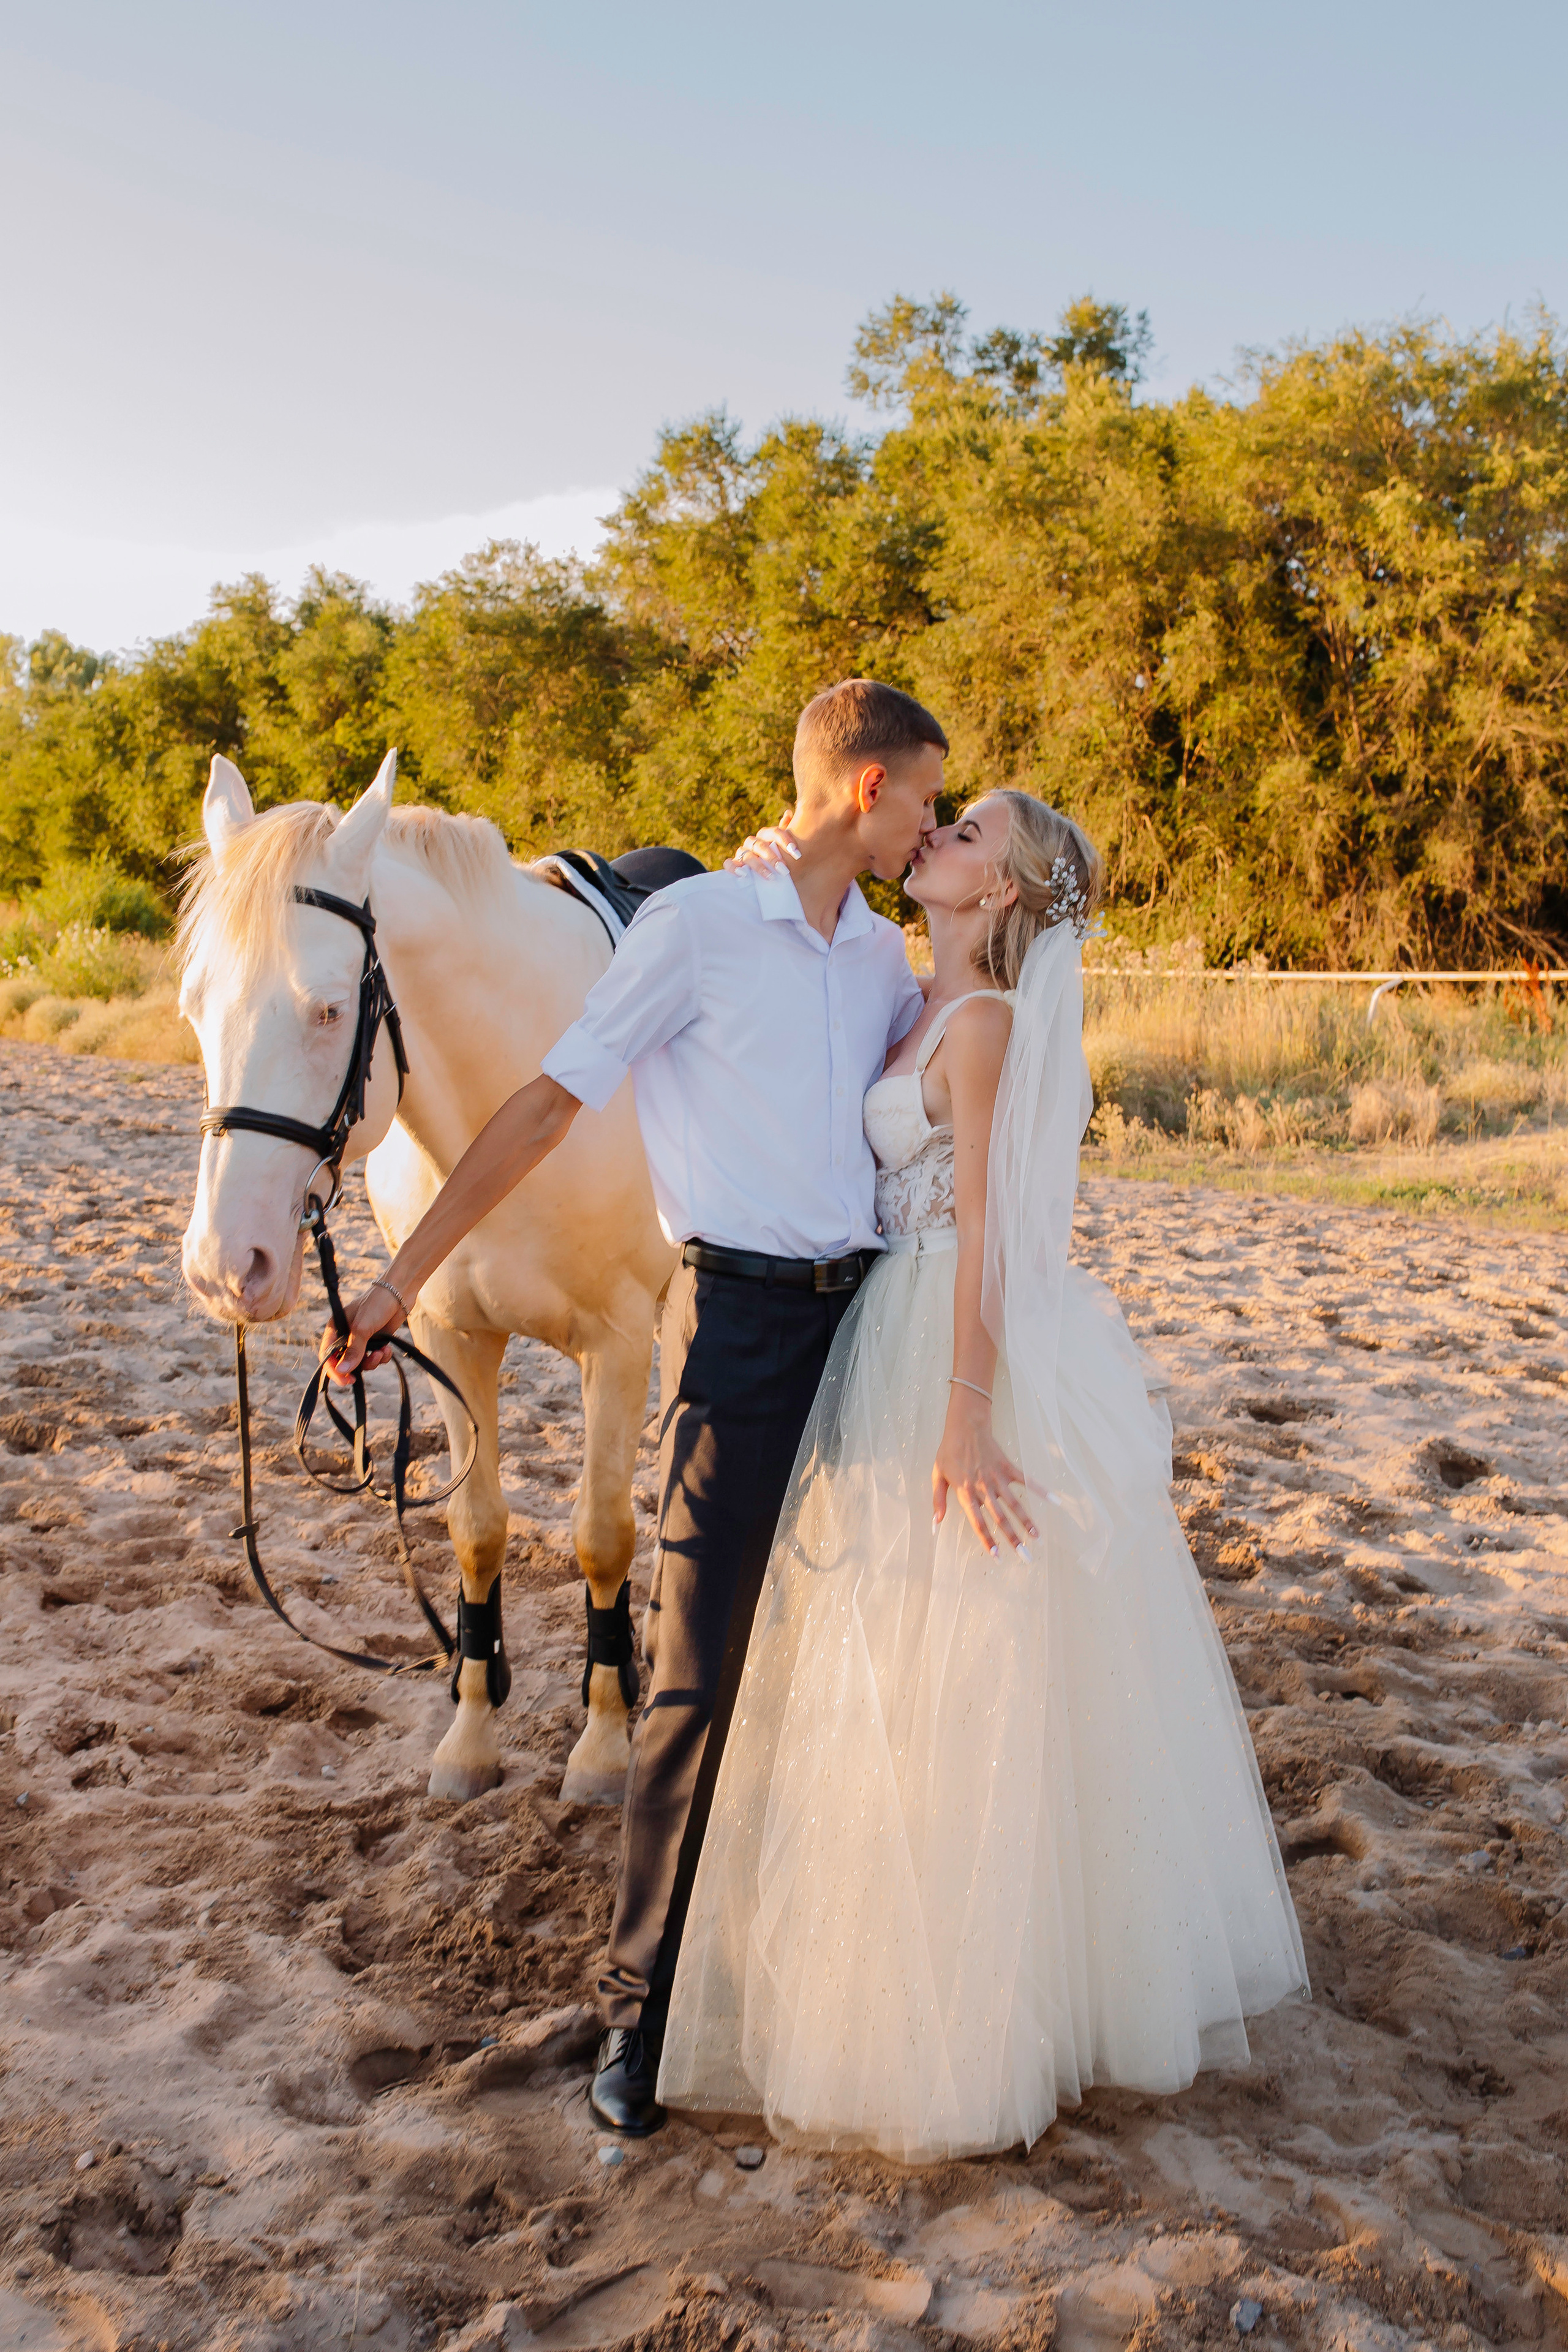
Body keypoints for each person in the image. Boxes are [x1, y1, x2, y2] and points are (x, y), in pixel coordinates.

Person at [325, 678, 945, 2134]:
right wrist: (398, 1283)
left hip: (877, 1327)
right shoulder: (692, 929)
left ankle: (849, 1967)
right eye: (923, 794)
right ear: (864, 790)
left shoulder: (882, 956)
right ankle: (640, 2020)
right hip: (730, 1337)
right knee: (691, 1682)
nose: (931, 821)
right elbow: (541, 1108)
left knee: (877, 1656)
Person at [656, 788, 1309, 2161]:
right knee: (878, 1639)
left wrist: (965, 1414)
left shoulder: (988, 1027)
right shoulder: (899, 993)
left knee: (961, 1650)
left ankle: (967, 2007)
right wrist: (767, 856)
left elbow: (995, 1237)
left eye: (965, 836)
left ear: (1000, 893)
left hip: (946, 1341)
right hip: (874, 1324)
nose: (936, 839)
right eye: (938, 824)